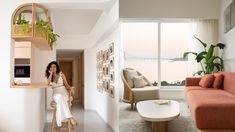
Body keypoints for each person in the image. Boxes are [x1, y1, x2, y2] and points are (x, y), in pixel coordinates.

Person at [45, 61, 77, 127]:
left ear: (57, 68)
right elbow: (47, 83)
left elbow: (67, 85)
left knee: (61, 98)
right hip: (55, 93)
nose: (52, 68)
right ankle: (70, 118)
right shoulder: (48, 76)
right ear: (49, 68)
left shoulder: (61, 74)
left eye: (54, 67)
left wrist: (71, 88)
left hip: (64, 92)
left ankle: (66, 119)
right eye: (51, 67)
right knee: (60, 97)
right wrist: (50, 74)